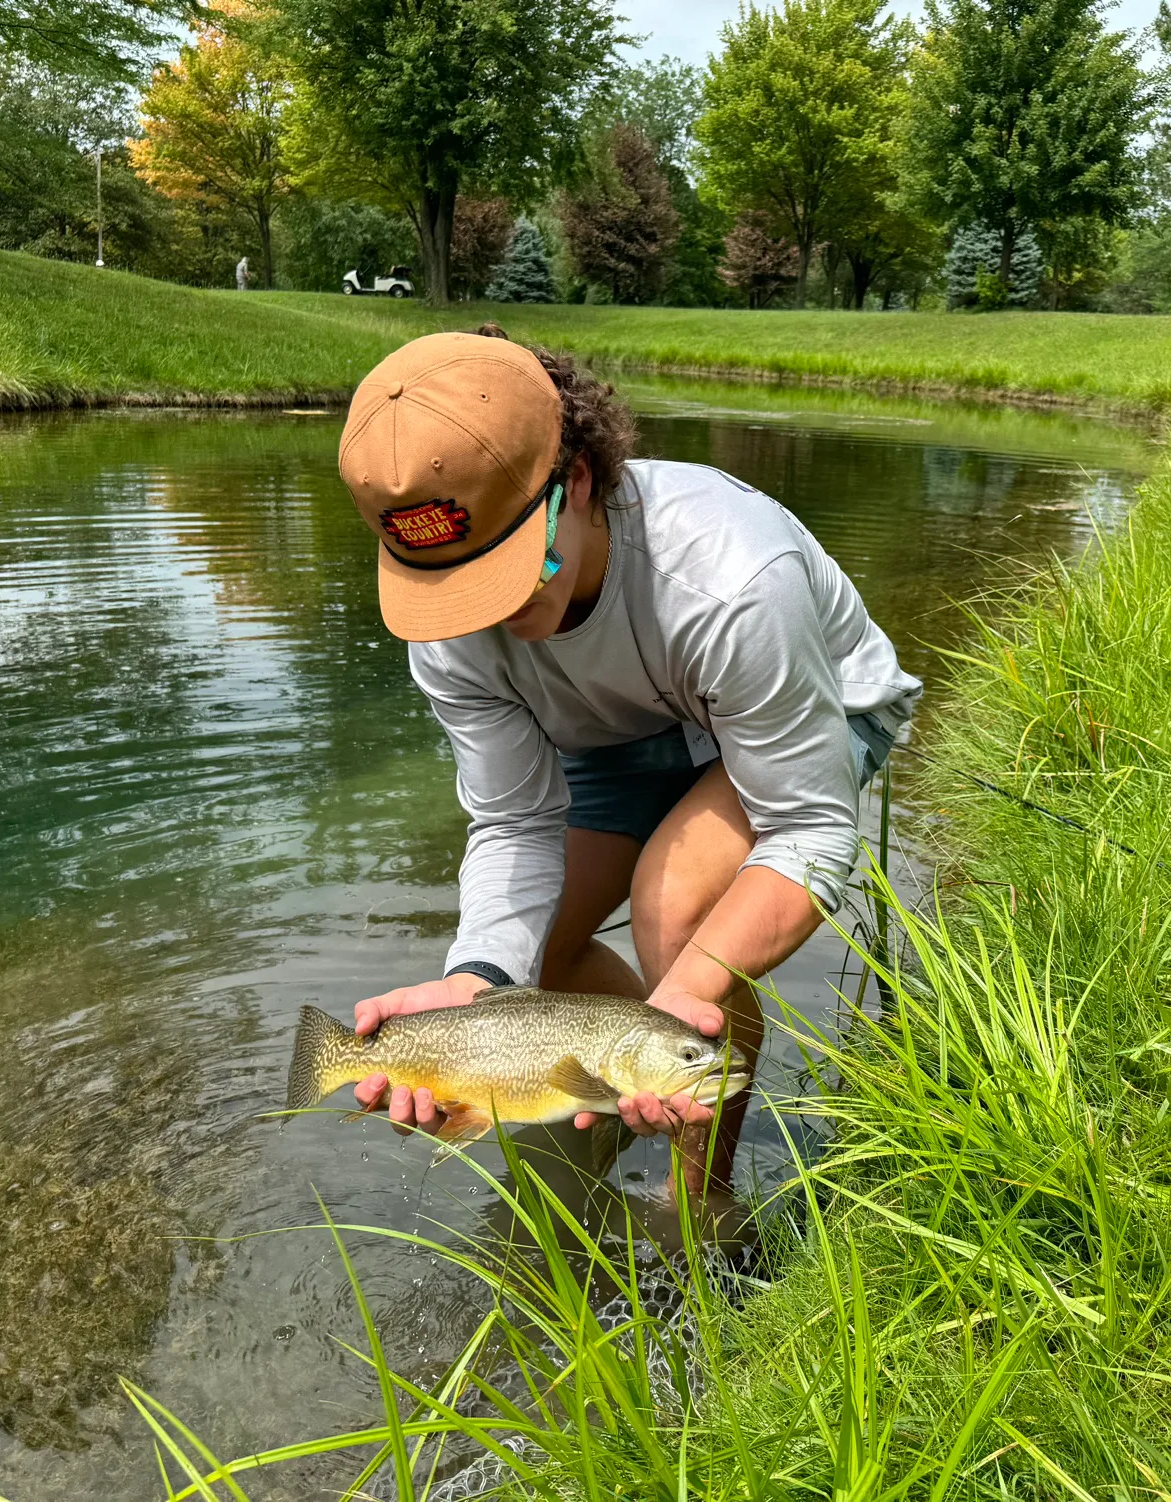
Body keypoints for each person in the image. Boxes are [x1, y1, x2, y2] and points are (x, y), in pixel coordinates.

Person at [339, 328, 922, 1193]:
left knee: (672, 907)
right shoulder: (448, 628)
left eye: (505, 571)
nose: (483, 616)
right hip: (620, 736)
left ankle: (702, 1205)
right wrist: (477, 976)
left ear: (575, 481)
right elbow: (513, 819)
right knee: (536, 959)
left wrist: (676, 1008)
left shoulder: (732, 575)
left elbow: (806, 827)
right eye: (452, 587)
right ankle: (609, 1120)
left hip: (816, 712)